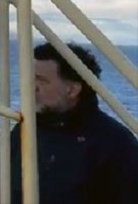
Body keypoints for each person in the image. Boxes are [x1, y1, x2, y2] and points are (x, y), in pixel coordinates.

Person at [9, 41, 138, 204]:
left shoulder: (114, 143)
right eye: (31, 79)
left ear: (72, 90)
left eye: (41, 80)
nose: (31, 87)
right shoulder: (26, 128)